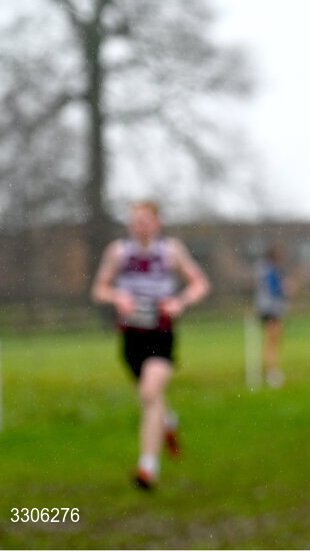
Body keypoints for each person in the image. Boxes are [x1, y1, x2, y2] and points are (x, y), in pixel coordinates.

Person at [91, 201, 210, 490]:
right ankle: (168, 422)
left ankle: (148, 468)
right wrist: (117, 297)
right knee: (151, 398)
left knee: (149, 393)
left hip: (160, 334)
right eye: (135, 220)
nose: (140, 225)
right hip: (131, 337)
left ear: (157, 223)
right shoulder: (118, 252)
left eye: (145, 220)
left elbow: (200, 283)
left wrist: (179, 302)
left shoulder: (170, 251)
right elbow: (99, 289)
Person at [255, 246, 289, 388]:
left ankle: (271, 370)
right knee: (273, 341)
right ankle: (272, 371)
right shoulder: (271, 270)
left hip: (266, 309)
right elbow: (276, 289)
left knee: (271, 341)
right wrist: (287, 288)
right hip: (272, 309)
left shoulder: (263, 269)